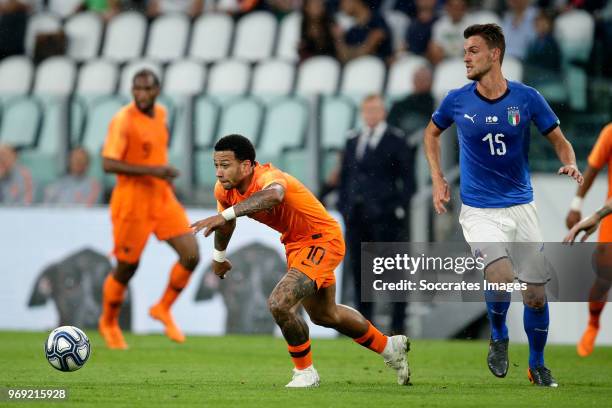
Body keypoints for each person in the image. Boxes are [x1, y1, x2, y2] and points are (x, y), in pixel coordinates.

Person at [423, 23, 583, 387]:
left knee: (536, 296)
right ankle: (498, 334)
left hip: (521, 208)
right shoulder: (456, 99)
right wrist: (437, 178)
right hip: (479, 211)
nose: (465, 57)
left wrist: (570, 161)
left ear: (495, 54)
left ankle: (536, 365)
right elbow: (431, 134)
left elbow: (560, 140)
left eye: (473, 50)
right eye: (464, 50)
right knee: (500, 275)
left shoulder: (526, 98)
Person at [190, 134, 410, 388]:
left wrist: (226, 213)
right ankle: (389, 347)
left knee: (279, 303)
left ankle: (305, 373)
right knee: (326, 315)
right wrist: (219, 258)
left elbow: (274, 196)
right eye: (216, 165)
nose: (219, 172)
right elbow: (225, 224)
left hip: (322, 240)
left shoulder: (268, 178)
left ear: (247, 165)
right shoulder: (225, 190)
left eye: (225, 165)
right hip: (297, 246)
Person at [99, 69, 200, 350]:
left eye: (146, 89)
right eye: (136, 89)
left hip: (162, 196)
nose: (141, 94)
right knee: (127, 267)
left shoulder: (162, 114)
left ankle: (163, 308)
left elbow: (153, 151)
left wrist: (161, 175)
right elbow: (108, 163)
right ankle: (108, 322)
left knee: (191, 254)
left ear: (157, 91)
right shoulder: (123, 120)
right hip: (132, 202)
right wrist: (154, 170)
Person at [337, 94, 415, 334]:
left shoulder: (396, 140)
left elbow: (409, 181)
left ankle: (398, 325)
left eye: (375, 110)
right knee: (361, 270)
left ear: (383, 112)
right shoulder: (353, 139)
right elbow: (346, 177)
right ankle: (365, 325)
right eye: (367, 110)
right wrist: (344, 205)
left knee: (394, 271)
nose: (370, 115)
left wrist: (396, 207)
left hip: (387, 217)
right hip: (357, 216)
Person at [565, 122, 612, 357]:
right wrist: (579, 206)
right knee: (605, 277)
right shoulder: (610, 133)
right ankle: (593, 322)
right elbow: (593, 168)